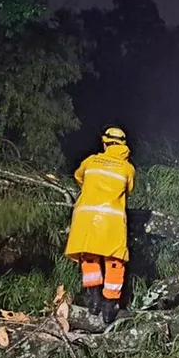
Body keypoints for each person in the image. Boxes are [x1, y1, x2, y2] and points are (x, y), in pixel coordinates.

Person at [64, 126, 135, 324]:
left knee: (89, 256)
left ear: (105, 143)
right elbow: (129, 189)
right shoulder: (127, 168)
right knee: (114, 261)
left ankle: (93, 299)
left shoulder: (90, 161)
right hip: (111, 220)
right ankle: (109, 306)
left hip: (85, 218)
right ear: (123, 145)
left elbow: (79, 177)